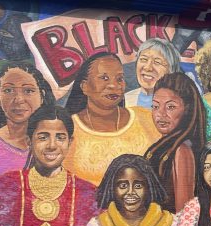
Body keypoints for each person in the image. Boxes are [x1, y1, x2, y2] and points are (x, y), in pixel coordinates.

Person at [63, 52, 158, 185]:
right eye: (104, 78)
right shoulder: (67, 129)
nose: (114, 85)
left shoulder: (146, 118)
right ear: (84, 86)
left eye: (119, 79)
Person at [81, 154, 176, 226]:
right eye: (123, 185)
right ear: (112, 188)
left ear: (149, 187)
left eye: (138, 185)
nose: (130, 192)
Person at [0, 61, 53, 186]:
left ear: (41, 96)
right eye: (9, 90)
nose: (18, 99)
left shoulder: (59, 146)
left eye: (28, 91)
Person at [146, 72, 206, 213]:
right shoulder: (165, 144)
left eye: (170, 107)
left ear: (187, 110)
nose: (161, 113)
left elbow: (184, 213)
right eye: (155, 106)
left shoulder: (182, 150)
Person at [125, 39, 182, 109]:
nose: (148, 68)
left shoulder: (180, 103)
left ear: (171, 70)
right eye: (144, 59)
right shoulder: (125, 99)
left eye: (157, 62)